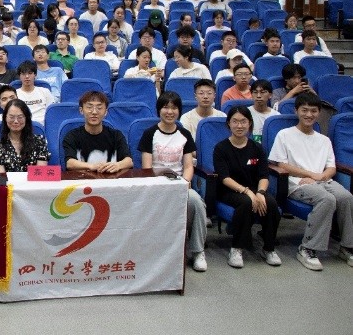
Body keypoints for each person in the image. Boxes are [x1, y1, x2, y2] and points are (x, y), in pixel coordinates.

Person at [269, 92, 353, 271]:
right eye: (304, 110)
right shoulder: (285, 135)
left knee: (346, 197)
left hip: (322, 180)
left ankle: (347, 246)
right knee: (326, 199)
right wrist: (311, 175)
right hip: (296, 182)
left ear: (319, 113)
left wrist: (320, 177)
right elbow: (282, 164)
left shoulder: (324, 140)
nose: (309, 114)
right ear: (296, 111)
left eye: (313, 111)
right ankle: (307, 248)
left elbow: (331, 168)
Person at [139, 92, 207, 272]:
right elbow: (147, 167)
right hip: (156, 184)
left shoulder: (184, 134)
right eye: (165, 107)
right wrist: (159, 184)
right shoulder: (149, 134)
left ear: (179, 111)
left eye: (174, 108)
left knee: (196, 202)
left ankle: (198, 251)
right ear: (159, 110)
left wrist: (185, 181)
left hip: (179, 184)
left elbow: (188, 165)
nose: (170, 112)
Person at [213, 106, 283, 268]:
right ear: (228, 124)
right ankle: (236, 248)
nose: (239, 125)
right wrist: (247, 192)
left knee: (271, 203)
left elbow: (264, 175)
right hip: (229, 190)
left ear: (249, 123)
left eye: (243, 121)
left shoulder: (257, 148)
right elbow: (224, 178)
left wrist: (260, 192)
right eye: (235, 121)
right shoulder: (221, 148)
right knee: (246, 202)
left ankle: (269, 248)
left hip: (254, 189)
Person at [63, 91, 133, 172]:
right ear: (81, 110)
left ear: (106, 112)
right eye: (89, 107)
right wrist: (91, 166)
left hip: (110, 178)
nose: (94, 112)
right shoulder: (72, 136)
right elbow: (70, 163)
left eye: (99, 108)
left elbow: (129, 161)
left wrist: (118, 165)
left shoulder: (116, 135)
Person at [0, 99, 50, 173]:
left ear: (26, 118)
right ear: (5, 118)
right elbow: (1, 176)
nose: (16, 121)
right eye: (11, 117)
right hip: (8, 181)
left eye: (20, 117)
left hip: (34, 180)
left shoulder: (40, 141)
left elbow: (40, 173)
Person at [15, 60, 55, 125]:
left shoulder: (45, 91)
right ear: (19, 76)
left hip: (43, 126)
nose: (27, 76)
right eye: (23, 74)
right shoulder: (14, 94)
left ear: (35, 75)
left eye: (30, 73)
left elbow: (51, 112)